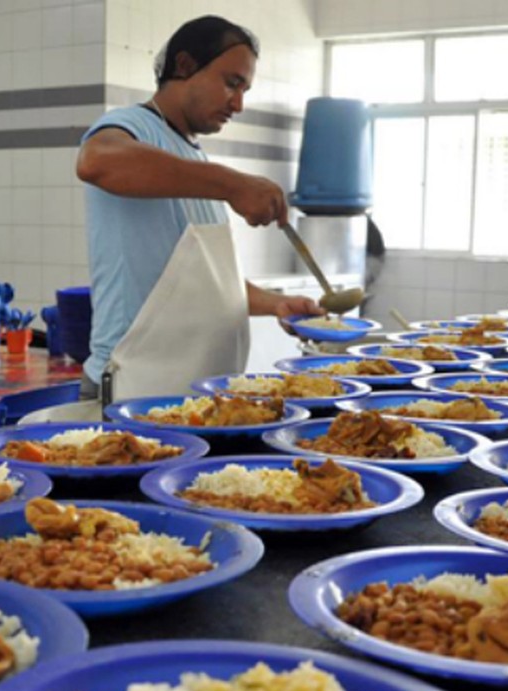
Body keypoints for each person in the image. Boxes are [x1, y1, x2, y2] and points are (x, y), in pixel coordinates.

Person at [75, 15, 324, 401]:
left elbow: (205, 283)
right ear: (185, 65)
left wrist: (277, 304)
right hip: (134, 387)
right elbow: (96, 161)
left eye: (245, 89)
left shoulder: (193, 160)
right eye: (232, 83)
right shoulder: (130, 126)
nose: (239, 104)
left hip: (194, 393)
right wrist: (234, 184)